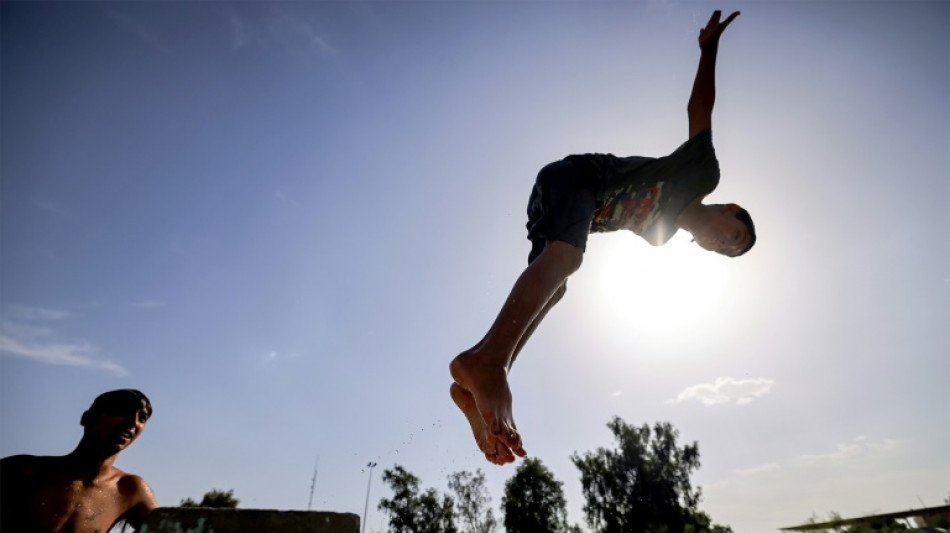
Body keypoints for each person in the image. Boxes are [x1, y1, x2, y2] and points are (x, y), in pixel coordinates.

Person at [450, 10, 755, 465]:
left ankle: (477, 380)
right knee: (567, 260)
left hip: (554, 207)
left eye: (729, 252)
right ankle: (489, 364)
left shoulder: (662, 237)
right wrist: (709, 49)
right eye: (734, 236)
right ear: (730, 209)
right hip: (576, 177)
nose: (725, 246)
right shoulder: (703, 174)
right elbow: (699, 110)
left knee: (556, 287)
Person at [1, 389, 158, 532]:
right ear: (87, 419)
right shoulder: (22, 471)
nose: (132, 423)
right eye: (122, 411)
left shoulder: (130, 490)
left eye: (142, 418)